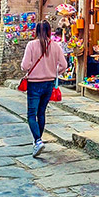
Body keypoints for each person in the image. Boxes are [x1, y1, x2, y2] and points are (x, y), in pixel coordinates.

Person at [20, 21, 67, 157]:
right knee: (41, 112)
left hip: (34, 83)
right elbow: (63, 65)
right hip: (49, 83)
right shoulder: (56, 46)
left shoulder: (31, 45)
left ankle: (38, 140)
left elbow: (25, 65)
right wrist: (53, 71)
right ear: (48, 31)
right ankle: (38, 141)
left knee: (31, 114)